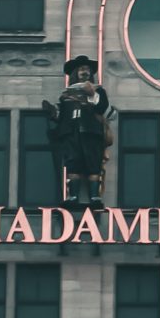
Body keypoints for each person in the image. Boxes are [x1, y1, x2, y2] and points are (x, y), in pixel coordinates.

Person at [45, 56, 115, 208]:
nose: (85, 72)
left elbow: (105, 110)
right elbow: (61, 117)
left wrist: (92, 95)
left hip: (90, 132)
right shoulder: (65, 96)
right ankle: (73, 196)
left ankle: (95, 197)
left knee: (93, 163)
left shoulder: (98, 91)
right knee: (73, 163)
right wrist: (53, 113)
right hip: (71, 132)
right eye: (82, 69)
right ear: (75, 73)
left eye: (87, 69)